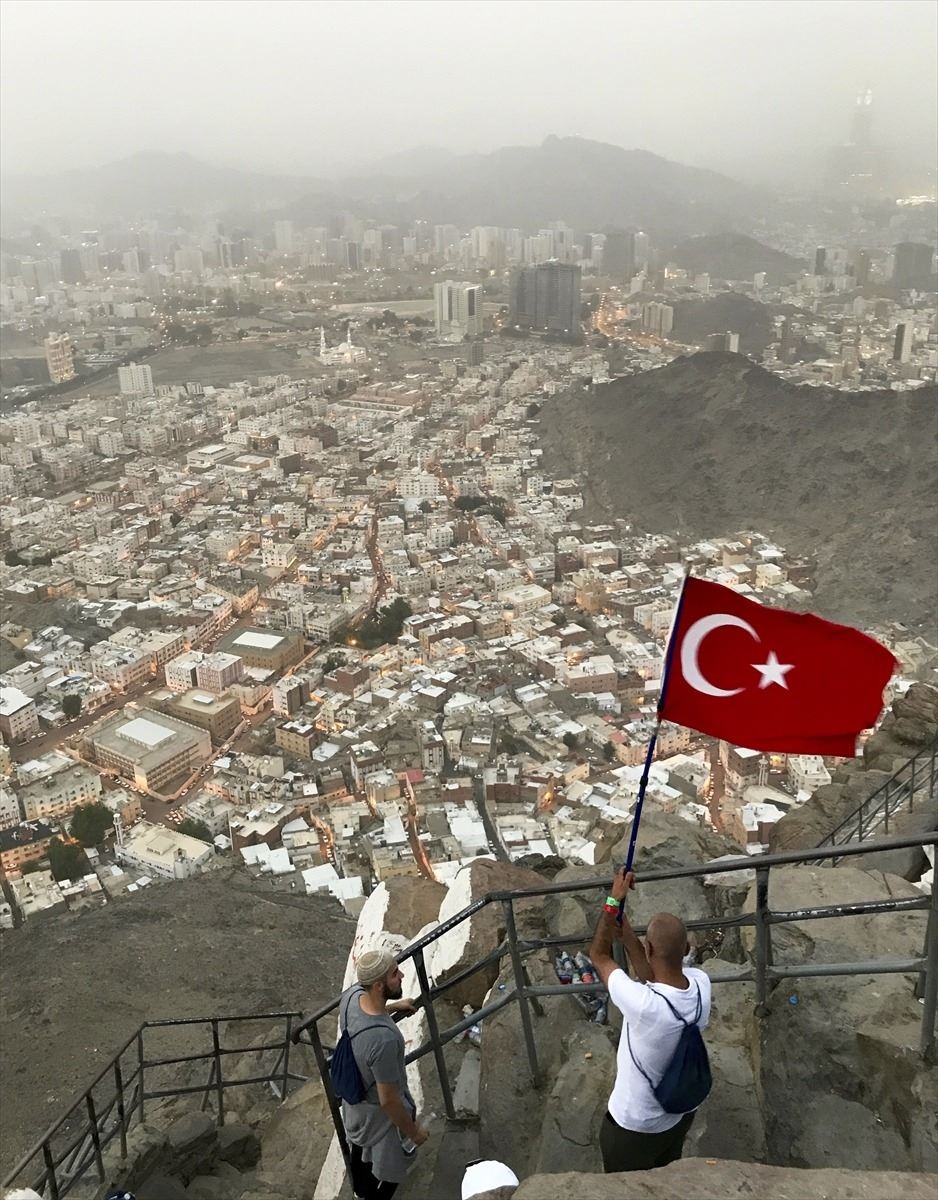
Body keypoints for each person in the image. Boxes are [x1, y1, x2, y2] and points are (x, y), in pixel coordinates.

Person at [589, 868, 711, 1174]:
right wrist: (629, 936)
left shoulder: (643, 1006)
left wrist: (612, 903)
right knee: (662, 1179)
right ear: (686, 950)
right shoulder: (700, 985)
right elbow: (656, 978)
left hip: (634, 1127)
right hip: (679, 1115)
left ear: (650, 948)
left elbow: (599, 956)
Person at [339, 948, 430, 1199]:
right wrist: (414, 1132)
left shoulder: (352, 996)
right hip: (376, 1121)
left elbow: (364, 1016)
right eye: (394, 974)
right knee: (381, 1179)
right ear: (379, 986)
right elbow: (389, 1100)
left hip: (354, 1109)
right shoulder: (384, 1040)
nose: (401, 975)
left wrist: (392, 1006)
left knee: (360, 1164)